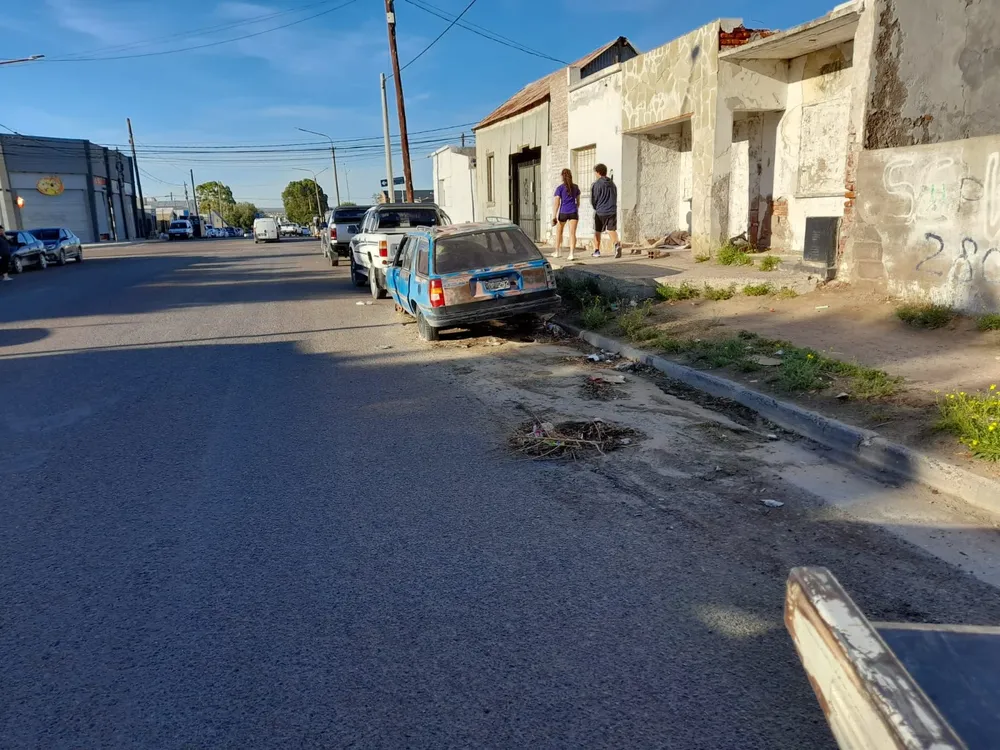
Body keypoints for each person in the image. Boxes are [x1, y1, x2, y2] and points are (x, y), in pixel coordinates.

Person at [590, 163, 621, 258]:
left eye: (595, 172)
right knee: (611, 229)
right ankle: (616, 245)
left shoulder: (596, 184)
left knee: (597, 231)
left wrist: (596, 207)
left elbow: (594, 199)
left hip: (600, 211)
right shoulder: (612, 184)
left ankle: (596, 251)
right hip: (612, 210)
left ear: (598, 172)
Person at [550, 168, 581, 261]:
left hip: (563, 212)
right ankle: (571, 254)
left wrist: (554, 216)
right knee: (572, 233)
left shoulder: (559, 188)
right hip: (573, 212)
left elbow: (557, 203)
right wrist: (575, 209)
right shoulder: (576, 187)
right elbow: (578, 202)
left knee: (559, 232)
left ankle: (557, 251)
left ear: (562, 177)